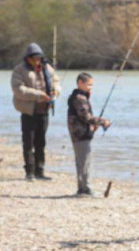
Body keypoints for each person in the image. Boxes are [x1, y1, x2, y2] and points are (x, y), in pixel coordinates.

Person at [11, 43, 61, 181]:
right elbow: (18, 90)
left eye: (39, 58)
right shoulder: (19, 70)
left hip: (44, 111)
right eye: (34, 58)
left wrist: (56, 91)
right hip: (29, 112)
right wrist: (39, 95)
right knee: (28, 143)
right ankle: (29, 173)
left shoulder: (47, 68)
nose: (37, 60)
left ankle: (40, 171)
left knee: (41, 143)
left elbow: (56, 81)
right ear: (28, 58)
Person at [67, 73, 110, 196]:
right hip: (81, 133)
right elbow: (85, 117)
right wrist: (103, 122)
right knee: (85, 162)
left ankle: (81, 189)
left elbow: (83, 118)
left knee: (81, 161)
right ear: (80, 83)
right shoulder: (80, 98)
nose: (91, 87)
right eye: (89, 85)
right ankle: (86, 189)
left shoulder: (78, 96)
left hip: (78, 132)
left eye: (92, 85)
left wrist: (92, 125)